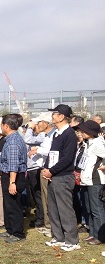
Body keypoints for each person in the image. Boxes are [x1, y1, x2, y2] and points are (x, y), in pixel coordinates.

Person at [42, 104, 80, 252]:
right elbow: (52, 154)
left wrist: (52, 171)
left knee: (65, 209)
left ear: (62, 116)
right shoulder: (57, 133)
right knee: (53, 208)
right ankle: (58, 237)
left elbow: (67, 158)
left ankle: (72, 240)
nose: (52, 116)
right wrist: (46, 168)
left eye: (55, 114)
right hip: (53, 175)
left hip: (63, 176)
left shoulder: (69, 134)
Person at [0, 114, 28, 242]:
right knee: (8, 204)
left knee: (14, 205)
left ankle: (17, 233)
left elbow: (13, 164)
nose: (0, 127)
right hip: (7, 175)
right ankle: (10, 229)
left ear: (6, 126)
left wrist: (12, 182)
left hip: (14, 176)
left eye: (1, 124)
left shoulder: (14, 142)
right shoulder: (10, 139)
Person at [74, 120, 105, 245]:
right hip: (85, 180)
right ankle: (93, 233)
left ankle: (101, 236)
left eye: (84, 130)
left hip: (95, 181)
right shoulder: (87, 143)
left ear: (91, 131)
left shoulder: (98, 143)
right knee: (89, 209)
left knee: (97, 210)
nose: (81, 132)